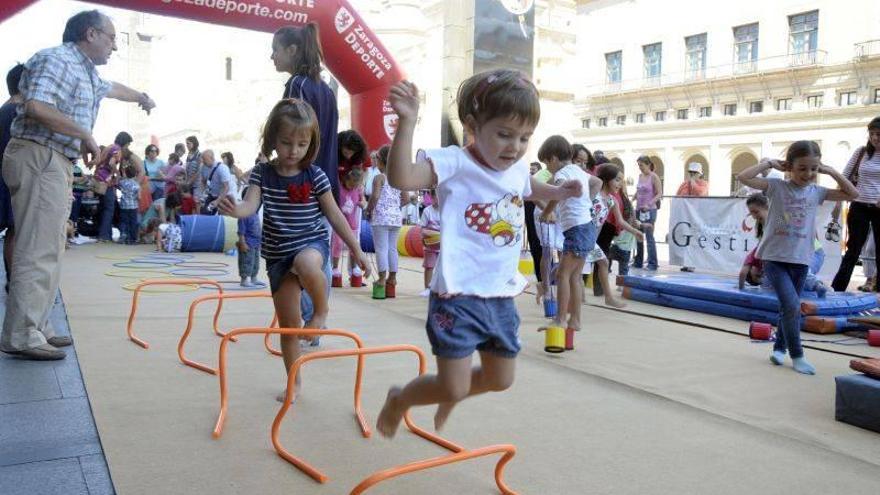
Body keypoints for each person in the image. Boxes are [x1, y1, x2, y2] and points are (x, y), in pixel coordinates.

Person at [375, 71, 581, 438]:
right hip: (457, 294)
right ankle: (400, 400)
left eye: (523, 138)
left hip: (500, 295)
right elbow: (402, 178)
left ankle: (451, 390)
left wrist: (559, 192)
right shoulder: (455, 162)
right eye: (503, 134)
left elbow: (527, 185)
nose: (514, 147)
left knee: (500, 379)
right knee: (452, 386)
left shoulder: (515, 167)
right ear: (473, 125)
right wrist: (406, 123)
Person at [0, 10, 155, 360]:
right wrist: (84, 133)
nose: (115, 45)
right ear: (90, 34)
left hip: (54, 159)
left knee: (51, 246)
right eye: (112, 37)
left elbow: (113, 88)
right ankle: (22, 332)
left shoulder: (86, 71)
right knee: (37, 246)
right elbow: (37, 105)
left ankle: (37, 326)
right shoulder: (57, 60)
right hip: (39, 156)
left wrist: (141, 96)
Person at [218, 98, 369, 400]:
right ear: (273, 138)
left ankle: (321, 311)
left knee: (307, 263)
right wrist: (237, 211)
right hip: (277, 255)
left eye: (302, 144)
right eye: (287, 142)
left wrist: (358, 250)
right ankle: (294, 382)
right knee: (288, 325)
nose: (293, 150)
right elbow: (251, 203)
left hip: (310, 244)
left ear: (311, 143)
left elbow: (336, 215)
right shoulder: (262, 173)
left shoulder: (315, 175)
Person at [737, 142, 857, 375]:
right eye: (802, 168)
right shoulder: (776, 187)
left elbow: (853, 193)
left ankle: (779, 347)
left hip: (801, 259)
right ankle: (798, 355)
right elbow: (743, 176)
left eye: (813, 169)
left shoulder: (817, 192)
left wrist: (830, 171)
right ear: (789, 167)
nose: (808, 174)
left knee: (788, 308)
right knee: (792, 305)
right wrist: (769, 163)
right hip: (774, 258)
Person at [272, 22, 339, 331]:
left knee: (297, 253)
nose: (272, 57)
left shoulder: (298, 85)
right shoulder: (325, 89)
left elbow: (294, 132)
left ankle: (311, 319)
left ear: (292, 50)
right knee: (315, 255)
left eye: (275, 51)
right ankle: (315, 318)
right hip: (324, 182)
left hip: (303, 185)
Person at [538, 135, 602, 334]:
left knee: (562, 274)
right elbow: (597, 183)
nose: (547, 168)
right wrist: (586, 203)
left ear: (554, 158)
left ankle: (560, 319)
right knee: (574, 276)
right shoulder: (578, 170)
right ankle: (575, 320)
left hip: (576, 228)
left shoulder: (562, 173)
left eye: (547, 163)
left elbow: (557, 195)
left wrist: (546, 212)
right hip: (586, 226)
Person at [576, 164, 643, 307]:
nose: (620, 184)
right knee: (572, 271)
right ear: (606, 179)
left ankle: (608, 297)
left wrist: (634, 231)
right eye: (617, 180)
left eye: (621, 180)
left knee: (602, 263)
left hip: (590, 240)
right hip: (581, 237)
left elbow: (620, 221)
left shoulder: (612, 200)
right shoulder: (594, 195)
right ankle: (550, 287)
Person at [831, 117, 880, 292]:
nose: (874, 138)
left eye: (878, 134)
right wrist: (838, 202)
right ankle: (837, 289)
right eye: (872, 134)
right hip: (859, 205)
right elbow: (844, 177)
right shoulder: (861, 153)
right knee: (853, 249)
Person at [365, 144, 402, 299]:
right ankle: (392, 279)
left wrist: (369, 210)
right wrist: (394, 207)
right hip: (396, 218)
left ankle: (381, 279)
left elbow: (375, 196)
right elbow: (406, 199)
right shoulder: (399, 178)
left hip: (380, 218)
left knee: (381, 248)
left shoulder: (379, 178)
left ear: (380, 161)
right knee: (392, 249)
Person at [0, 64, 25, 292]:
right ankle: (15, 280)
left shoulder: (3, 110)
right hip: (11, 181)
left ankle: (13, 279)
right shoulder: (19, 113)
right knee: (15, 232)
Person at [331, 167, 367, 282]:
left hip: (352, 223)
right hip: (339, 222)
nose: (352, 187)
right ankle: (335, 268)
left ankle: (354, 268)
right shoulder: (339, 188)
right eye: (351, 184)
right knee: (337, 244)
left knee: (353, 246)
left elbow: (364, 201)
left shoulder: (358, 189)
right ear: (346, 179)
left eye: (355, 185)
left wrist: (362, 203)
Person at [632, 155, 662, 270]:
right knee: (638, 236)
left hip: (650, 210)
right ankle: (638, 261)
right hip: (639, 209)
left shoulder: (654, 177)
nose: (640, 167)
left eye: (641, 165)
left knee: (649, 237)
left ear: (648, 164)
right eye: (638, 165)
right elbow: (638, 191)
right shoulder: (640, 176)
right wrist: (632, 200)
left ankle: (652, 263)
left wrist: (648, 204)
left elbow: (659, 193)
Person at [236, 186, 262, 287]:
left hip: (256, 243)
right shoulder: (244, 214)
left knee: (255, 262)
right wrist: (242, 242)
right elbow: (241, 231)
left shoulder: (255, 213)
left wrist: (260, 242)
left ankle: (254, 278)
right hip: (247, 243)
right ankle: (244, 279)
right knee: (246, 261)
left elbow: (257, 229)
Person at [199, 149, 236, 214]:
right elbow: (203, 182)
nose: (202, 161)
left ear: (212, 158)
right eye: (202, 159)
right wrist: (202, 195)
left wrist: (217, 201)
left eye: (204, 159)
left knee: (222, 216)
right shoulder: (203, 167)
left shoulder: (222, 168)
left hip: (224, 196)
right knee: (205, 213)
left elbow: (226, 187)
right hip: (212, 194)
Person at [419, 189, 440, 297]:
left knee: (443, 268)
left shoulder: (446, 210)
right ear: (431, 197)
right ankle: (428, 288)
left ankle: (441, 288)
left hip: (444, 247)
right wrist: (428, 234)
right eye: (437, 196)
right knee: (429, 266)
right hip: (430, 246)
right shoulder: (428, 211)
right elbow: (422, 229)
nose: (439, 199)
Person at [117, 164, 140, 244]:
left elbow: (118, 185)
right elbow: (139, 197)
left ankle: (123, 233)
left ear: (126, 174)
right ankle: (132, 239)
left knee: (123, 221)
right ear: (135, 174)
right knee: (133, 222)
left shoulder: (122, 182)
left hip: (123, 205)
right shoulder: (136, 185)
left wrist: (121, 175)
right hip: (133, 206)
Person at [184, 135, 202, 200]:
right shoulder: (188, 155)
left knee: (196, 202)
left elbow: (199, 170)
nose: (187, 145)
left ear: (194, 143)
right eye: (186, 143)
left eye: (188, 143)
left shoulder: (199, 155)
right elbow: (186, 169)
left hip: (197, 184)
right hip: (189, 183)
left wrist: (190, 181)